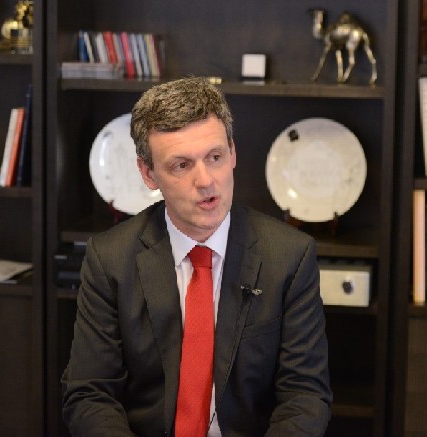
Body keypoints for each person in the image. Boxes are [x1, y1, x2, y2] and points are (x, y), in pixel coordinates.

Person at [61, 77, 332, 436]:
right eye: (182, 165)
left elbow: (305, 396)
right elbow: (89, 394)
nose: (205, 181)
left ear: (233, 153)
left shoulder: (289, 256)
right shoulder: (111, 259)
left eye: (215, 157)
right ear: (148, 173)